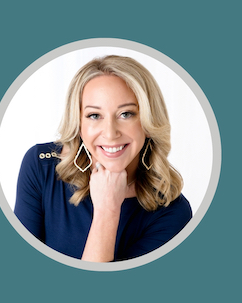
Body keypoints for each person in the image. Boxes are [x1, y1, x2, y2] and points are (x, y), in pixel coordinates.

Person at [15, 55, 192, 262]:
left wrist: (108, 210)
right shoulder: (41, 166)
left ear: (148, 122)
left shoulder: (173, 213)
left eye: (126, 114)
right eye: (94, 115)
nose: (110, 133)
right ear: (79, 124)